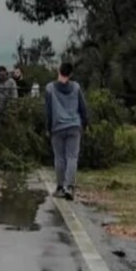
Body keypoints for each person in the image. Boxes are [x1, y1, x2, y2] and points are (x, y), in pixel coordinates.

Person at [45, 62, 89, 201]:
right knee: (72, 157)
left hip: (57, 127)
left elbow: (48, 111)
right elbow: (83, 107)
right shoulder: (76, 87)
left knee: (59, 157)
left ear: (58, 71)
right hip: (74, 126)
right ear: (71, 74)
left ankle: (59, 187)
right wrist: (85, 123)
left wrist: (48, 128)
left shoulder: (50, 88)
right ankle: (69, 186)